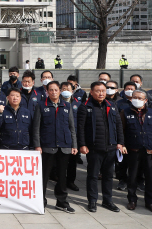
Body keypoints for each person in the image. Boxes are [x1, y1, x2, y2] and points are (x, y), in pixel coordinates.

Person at [77, 82, 124, 213]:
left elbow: (118, 125)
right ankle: (92, 201)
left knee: (108, 176)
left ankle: (108, 201)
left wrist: (120, 142)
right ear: (91, 92)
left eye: (103, 91)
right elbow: (80, 128)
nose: (101, 93)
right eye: (98, 91)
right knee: (92, 175)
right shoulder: (85, 107)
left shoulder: (112, 105)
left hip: (111, 147)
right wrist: (82, 144)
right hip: (94, 148)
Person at [33, 81, 78, 213]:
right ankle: (41, 201)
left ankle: (62, 202)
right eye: (50, 90)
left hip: (64, 146)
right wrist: (37, 145)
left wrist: (74, 145)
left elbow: (71, 127)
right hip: (47, 146)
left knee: (62, 176)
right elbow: (36, 127)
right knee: (44, 176)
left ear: (59, 91)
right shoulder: (41, 105)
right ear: (47, 91)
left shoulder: (67, 105)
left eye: (56, 90)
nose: (53, 92)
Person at [121, 89, 152, 213]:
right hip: (133, 149)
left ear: (145, 100)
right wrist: (122, 144)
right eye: (135, 97)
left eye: (140, 98)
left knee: (150, 177)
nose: (137, 100)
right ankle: (132, 200)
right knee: (132, 176)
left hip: (150, 150)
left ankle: (150, 202)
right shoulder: (125, 112)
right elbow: (121, 131)